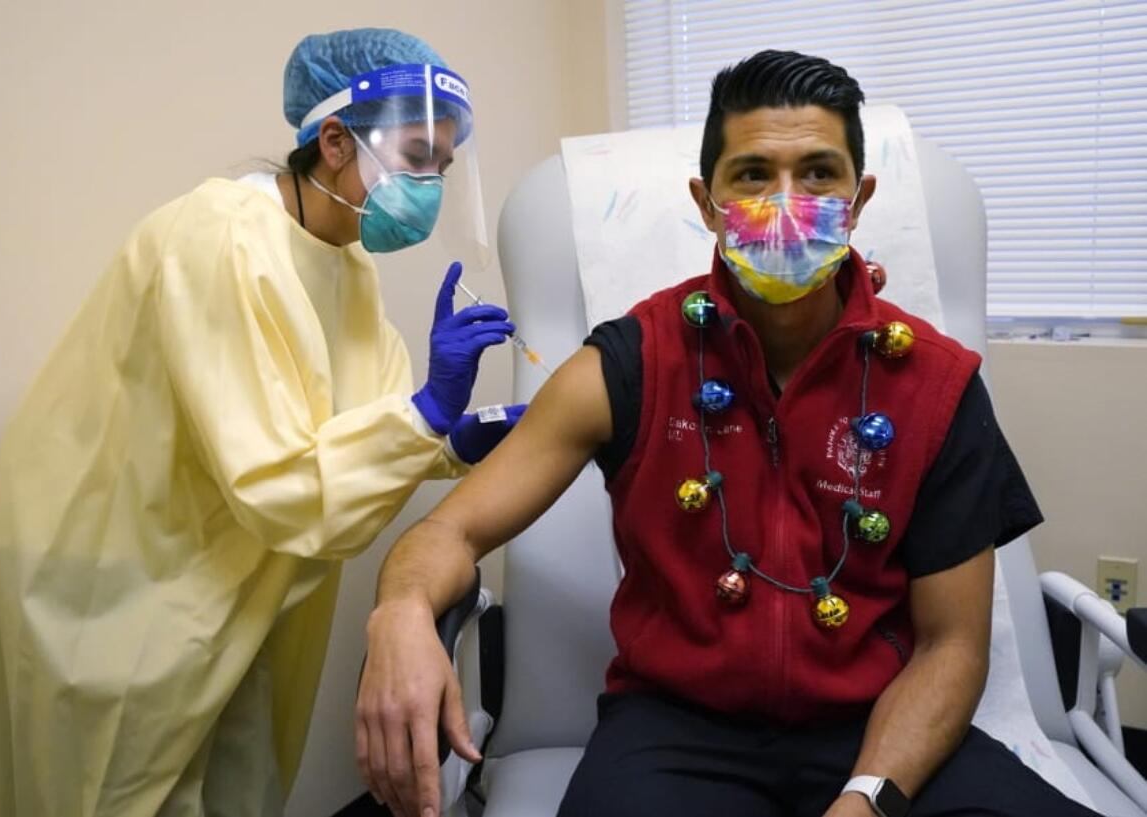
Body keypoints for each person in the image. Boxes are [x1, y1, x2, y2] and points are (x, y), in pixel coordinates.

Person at [355, 51, 1102, 817]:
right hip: (676, 732)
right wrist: (402, 611)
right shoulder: (631, 362)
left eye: (818, 173)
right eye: (752, 175)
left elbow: (953, 645)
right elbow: (448, 530)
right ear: (707, 203)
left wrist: (866, 798)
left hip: (879, 724)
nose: (786, 201)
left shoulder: (935, 386)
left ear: (859, 198)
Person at [0, 27, 523, 817]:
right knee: (122, 792)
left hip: (223, 569)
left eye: (443, 164)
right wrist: (428, 414)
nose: (431, 182)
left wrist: (455, 437)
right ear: (334, 140)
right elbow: (282, 481)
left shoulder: (343, 261)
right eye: (416, 156)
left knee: (238, 783)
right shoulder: (222, 238)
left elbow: (355, 429)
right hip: (111, 578)